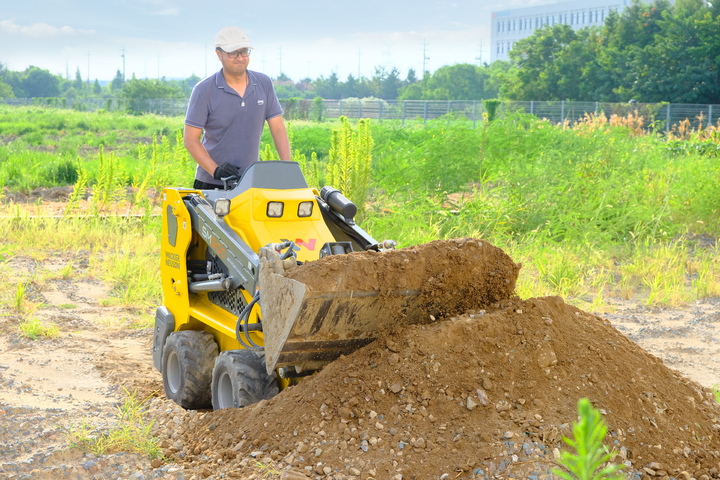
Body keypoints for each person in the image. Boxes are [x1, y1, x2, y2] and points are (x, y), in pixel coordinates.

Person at [184, 26, 291, 190]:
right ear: (218, 54)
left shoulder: (263, 83)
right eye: (233, 53)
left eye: (244, 51)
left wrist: (287, 169)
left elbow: (277, 128)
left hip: (250, 183)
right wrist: (216, 170)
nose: (240, 57)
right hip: (211, 183)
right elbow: (191, 140)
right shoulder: (204, 90)